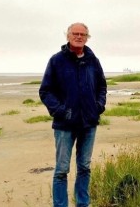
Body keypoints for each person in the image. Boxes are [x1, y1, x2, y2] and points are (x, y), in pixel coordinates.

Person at [39, 22, 107, 207]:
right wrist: (61, 111)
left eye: (83, 34)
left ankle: (82, 204)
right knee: (61, 170)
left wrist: (98, 106)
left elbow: (102, 86)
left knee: (84, 167)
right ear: (68, 36)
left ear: (87, 38)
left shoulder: (93, 61)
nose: (79, 37)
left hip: (89, 123)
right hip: (65, 125)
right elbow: (45, 91)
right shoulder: (57, 61)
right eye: (75, 33)